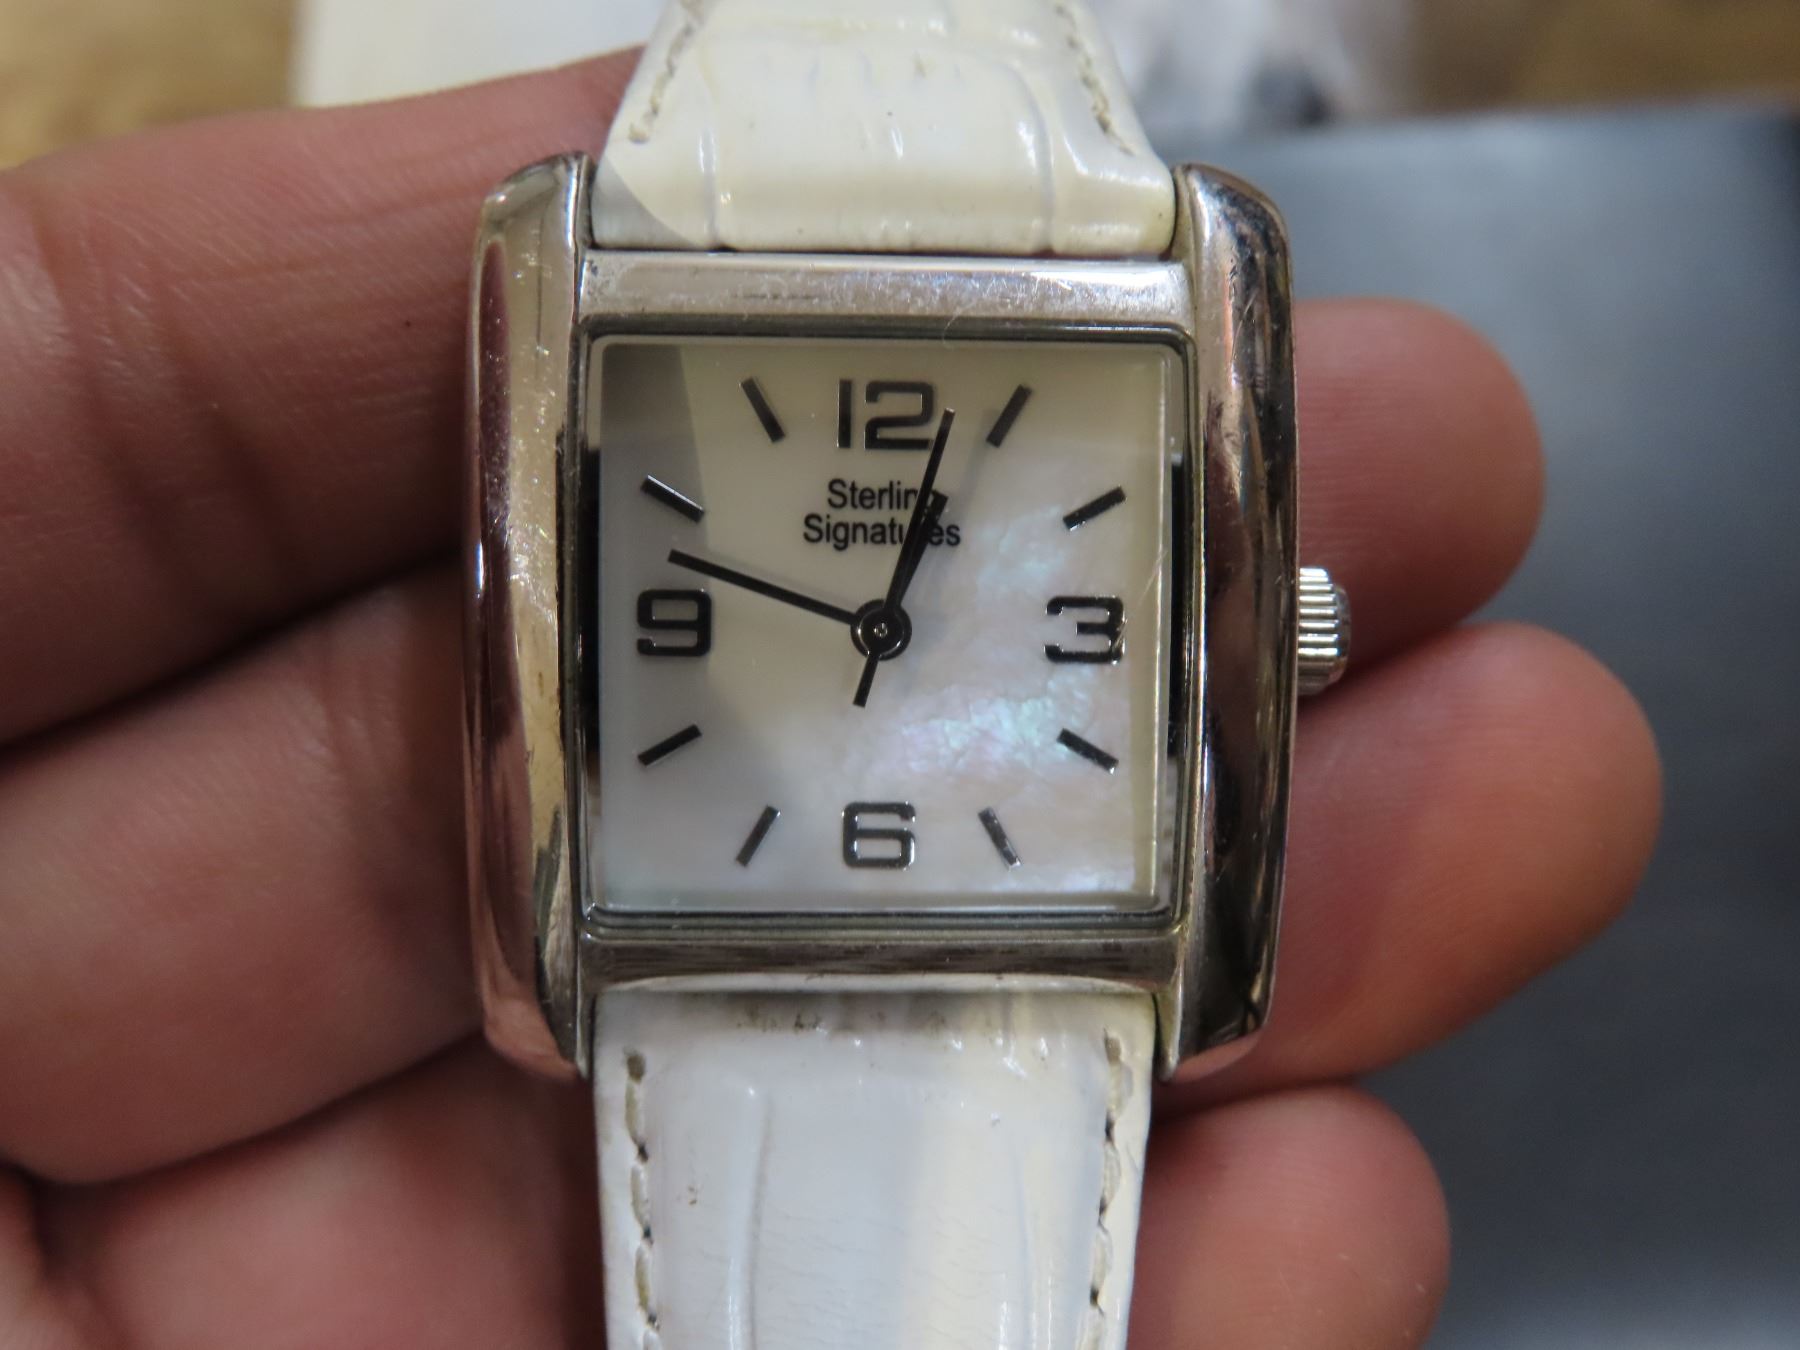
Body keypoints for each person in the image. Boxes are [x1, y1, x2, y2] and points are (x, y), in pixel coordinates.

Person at [0, 51, 1660, 1349]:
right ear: (1297, 632)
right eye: (875, 623)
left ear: (1284, 631)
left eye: (884, 620)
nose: (879, 629)